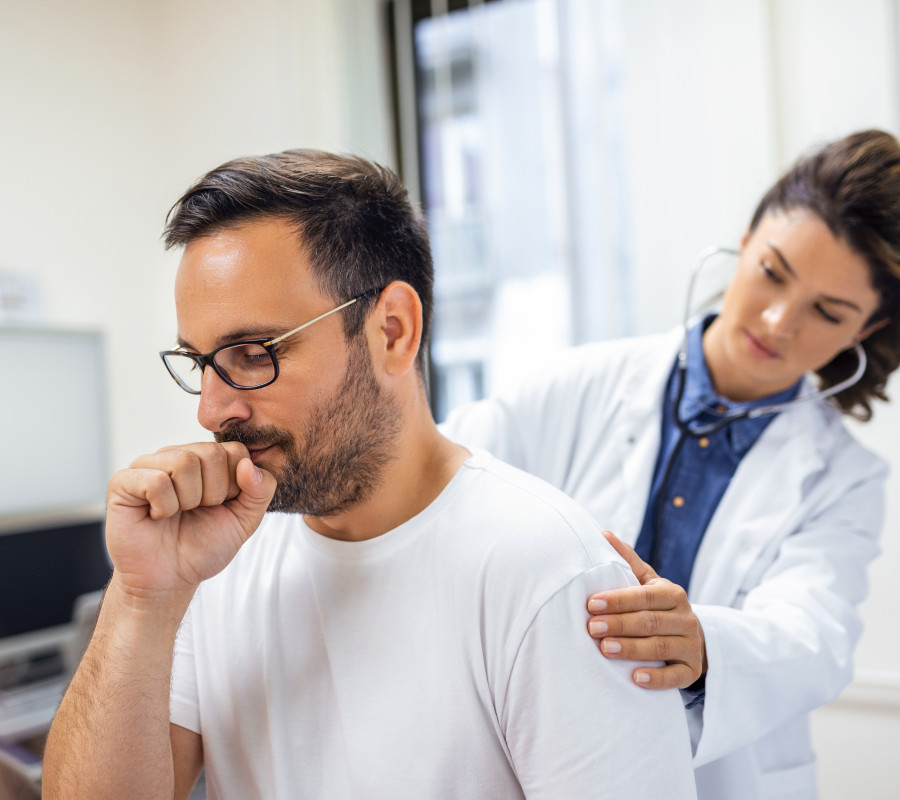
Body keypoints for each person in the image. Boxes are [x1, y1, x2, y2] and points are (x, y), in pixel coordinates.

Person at [41, 150, 696, 799]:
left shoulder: (546, 572)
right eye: (201, 362)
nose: (212, 410)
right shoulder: (214, 559)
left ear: (392, 331)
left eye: (252, 353)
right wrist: (141, 597)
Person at [441, 128, 900, 799]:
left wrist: (704, 643)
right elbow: (439, 474)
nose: (777, 321)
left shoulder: (844, 478)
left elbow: (815, 634)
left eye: (826, 312)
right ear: (744, 245)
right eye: (773, 272)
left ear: (862, 332)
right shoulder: (578, 383)